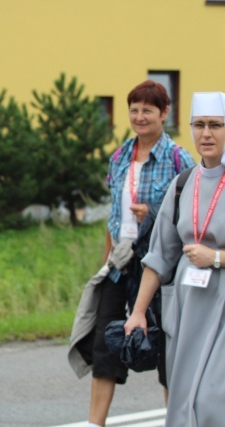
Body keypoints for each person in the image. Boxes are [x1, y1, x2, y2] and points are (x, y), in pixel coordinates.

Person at [68, 80, 195, 427]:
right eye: (134, 110)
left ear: (164, 113)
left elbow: (191, 217)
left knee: (169, 347)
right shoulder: (121, 155)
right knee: (105, 344)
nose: (140, 117)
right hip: (121, 262)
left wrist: (153, 212)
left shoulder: (178, 158)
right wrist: (106, 262)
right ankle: (96, 422)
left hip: (159, 265)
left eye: (148, 110)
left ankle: (176, 419)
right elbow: (113, 214)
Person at [125, 92, 225, 426]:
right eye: (199, 125)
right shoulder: (183, 184)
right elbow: (159, 256)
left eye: (215, 125)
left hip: (222, 306)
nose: (206, 134)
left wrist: (217, 258)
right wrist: (138, 312)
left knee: (213, 399)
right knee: (183, 400)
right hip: (186, 307)